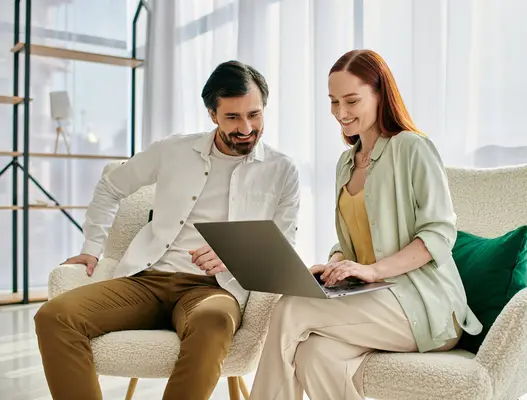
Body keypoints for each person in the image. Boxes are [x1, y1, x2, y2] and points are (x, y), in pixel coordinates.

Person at [34, 60, 300, 400]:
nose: (246, 128)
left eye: (255, 114)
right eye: (233, 117)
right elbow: (111, 186)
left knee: (214, 323)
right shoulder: (173, 150)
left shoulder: (282, 171)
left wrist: (236, 253)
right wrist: (91, 247)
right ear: (212, 114)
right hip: (147, 278)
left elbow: (283, 248)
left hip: (213, 291)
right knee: (54, 317)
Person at [249, 49, 483, 400]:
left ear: (379, 95)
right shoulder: (347, 163)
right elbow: (352, 241)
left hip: (425, 308)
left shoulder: (412, 148)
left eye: (352, 100)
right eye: (333, 102)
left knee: (290, 308)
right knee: (314, 355)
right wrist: (336, 264)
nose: (341, 113)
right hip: (374, 300)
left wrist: (374, 271)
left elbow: (439, 234)